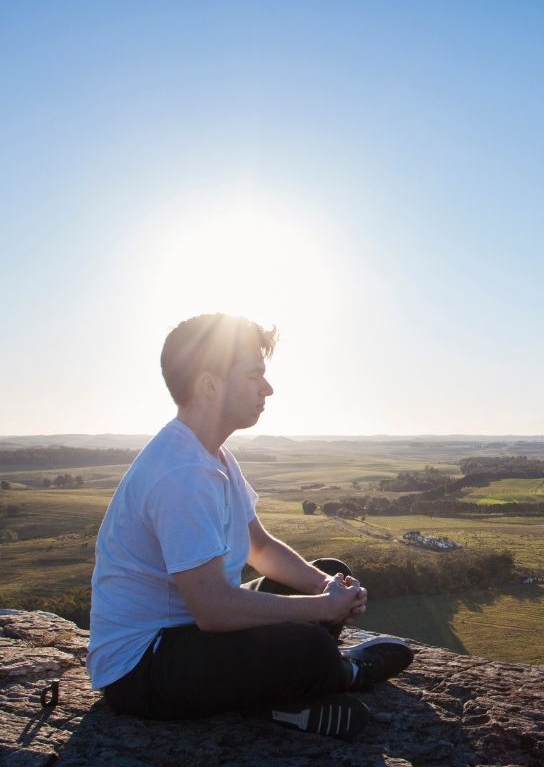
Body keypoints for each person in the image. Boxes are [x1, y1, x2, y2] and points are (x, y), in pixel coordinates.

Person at [87, 313, 413, 740]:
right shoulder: (181, 472)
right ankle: (343, 672)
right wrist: (321, 610)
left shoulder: (214, 457)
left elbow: (259, 548)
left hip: (190, 637)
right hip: (143, 668)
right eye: (255, 375)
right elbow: (214, 610)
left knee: (327, 570)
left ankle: (288, 692)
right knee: (310, 646)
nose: (268, 388)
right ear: (209, 384)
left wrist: (325, 588)